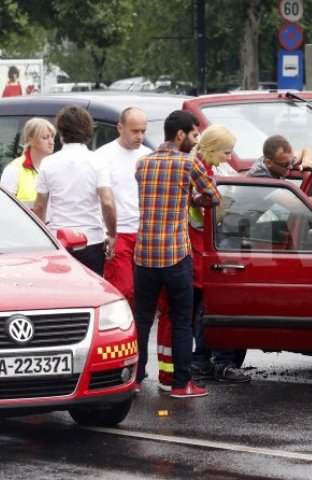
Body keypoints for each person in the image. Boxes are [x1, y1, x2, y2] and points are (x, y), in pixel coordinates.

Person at [133, 110, 220, 399]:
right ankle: (181, 384)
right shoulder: (188, 163)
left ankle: (133, 379)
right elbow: (213, 197)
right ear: (180, 135)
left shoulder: (142, 164)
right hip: (175, 255)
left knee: (143, 320)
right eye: (193, 135)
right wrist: (193, 198)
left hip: (144, 256)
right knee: (182, 320)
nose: (194, 142)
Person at [184, 125, 251, 384]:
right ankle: (215, 361)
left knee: (208, 307)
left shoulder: (215, 167)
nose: (229, 157)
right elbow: (210, 213)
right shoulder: (198, 171)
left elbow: (238, 183)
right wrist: (230, 206)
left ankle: (203, 360)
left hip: (209, 244)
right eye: (226, 152)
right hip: (200, 245)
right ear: (211, 149)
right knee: (213, 305)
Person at [33, 106, 117, 275]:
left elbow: (40, 206)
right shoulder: (97, 161)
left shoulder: (48, 163)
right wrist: (113, 233)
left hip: (59, 238)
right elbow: (107, 202)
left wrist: (41, 239)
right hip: (91, 240)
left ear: (61, 131)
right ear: (87, 130)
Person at [97, 107, 152, 309]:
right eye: (134, 131)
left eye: (143, 131)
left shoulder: (149, 157)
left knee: (144, 293)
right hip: (117, 233)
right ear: (120, 128)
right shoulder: (103, 156)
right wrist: (105, 232)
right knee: (123, 289)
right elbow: (98, 198)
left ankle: (137, 337)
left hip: (144, 232)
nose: (140, 136)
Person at [248, 134, 312, 207]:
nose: (290, 167)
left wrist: (306, 160)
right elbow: (294, 205)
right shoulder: (260, 176)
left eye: (291, 162)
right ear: (269, 162)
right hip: (238, 224)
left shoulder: (282, 160)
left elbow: (306, 150)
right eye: (285, 165)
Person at [0, 117, 56, 208]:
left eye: (52, 137)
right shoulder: (14, 169)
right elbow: (5, 208)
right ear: (30, 140)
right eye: (45, 138)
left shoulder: (52, 167)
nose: (51, 142)